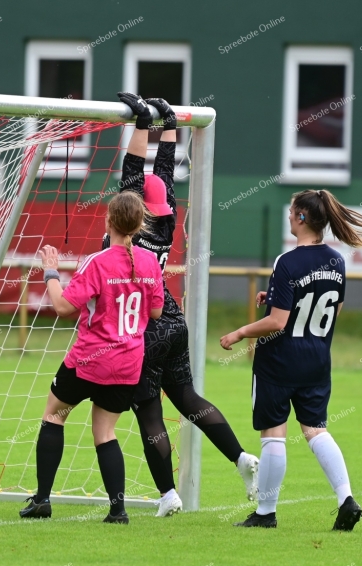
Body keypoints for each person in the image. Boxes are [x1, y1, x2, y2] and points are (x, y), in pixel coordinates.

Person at [114, 92, 259, 517]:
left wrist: (141, 122)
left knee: (149, 411)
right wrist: (168, 121)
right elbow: (163, 172)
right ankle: (239, 457)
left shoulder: (127, 222)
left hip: (143, 321)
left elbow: (131, 173)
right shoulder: (167, 216)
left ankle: (167, 495)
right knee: (188, 397)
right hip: (172, 316)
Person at [221, 189, 362, 530]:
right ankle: (346, 497)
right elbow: (332, 307)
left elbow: (277, 321)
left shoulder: (286, 261)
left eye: (292, 212)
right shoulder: (337, 260)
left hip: (280, 360)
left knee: (273, 434)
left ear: (303, 217)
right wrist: (275, 297)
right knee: (316, 430)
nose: (289, 216)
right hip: (317, 359)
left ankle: (265, 513)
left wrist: (240, 332)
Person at [19, 191, 164, 524]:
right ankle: (118, 510)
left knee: (55, 415)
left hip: (90, 361)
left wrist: (51, 273)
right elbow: (155, 311)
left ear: (109, 220)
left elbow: (62, 306)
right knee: (106, 432)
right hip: (128, 363)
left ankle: (42, 500)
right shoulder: (150, 262)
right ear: (139, 225)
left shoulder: (98, 262)